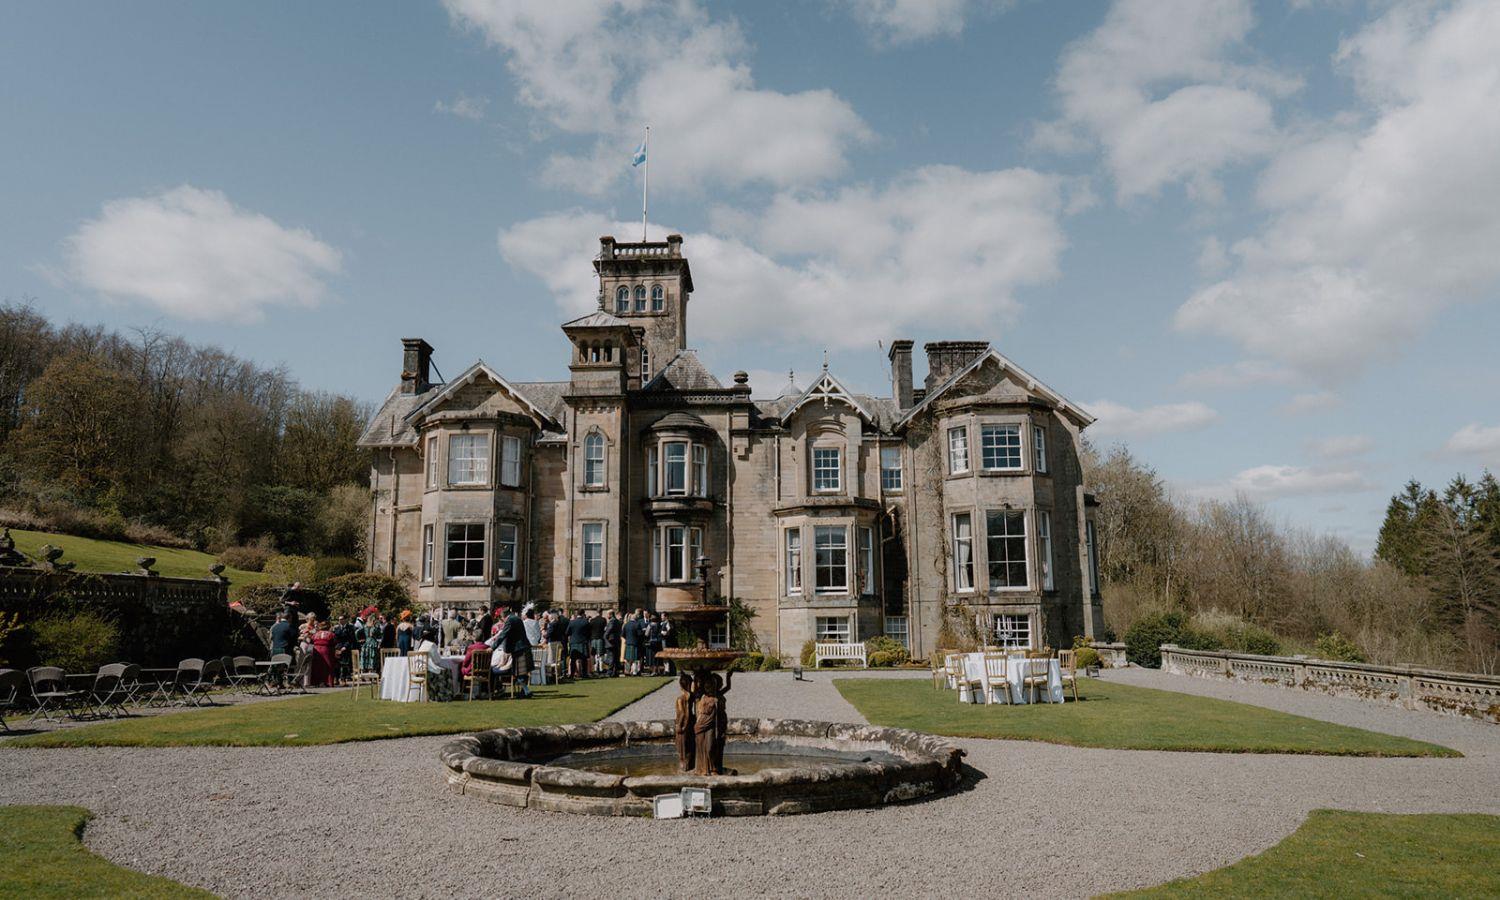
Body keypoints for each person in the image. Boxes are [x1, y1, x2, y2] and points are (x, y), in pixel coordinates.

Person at [493, 606, 533, 697]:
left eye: (501, 618)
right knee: (521, 673)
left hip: (519, 649)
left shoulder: (510, 620)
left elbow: (503, 635)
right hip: (522, 647)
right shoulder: (516, 618)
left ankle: (526, 691)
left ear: (503, 616)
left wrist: (493, 647)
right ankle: (525, 691)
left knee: (520, 673)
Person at [309, 620, 338, 688]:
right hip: (327, 650)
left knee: (317, 666)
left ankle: (317, 682)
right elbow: (335, 642)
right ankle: (328, 682)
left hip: (316, 650)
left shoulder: (316, 634)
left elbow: (311, 641)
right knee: (328, 666)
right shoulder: (330, 634)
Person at [566, 610, 591, 679]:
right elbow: (589, 633)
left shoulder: (572, 622)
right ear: (583, 614)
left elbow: (567, 632)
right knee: (584, 659)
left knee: (573, 660)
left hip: (574, 642)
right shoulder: (586, 622)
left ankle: (572, 674)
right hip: (583, 642)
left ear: (577, 614)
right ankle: (584, 674)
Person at [622, 610, 643, 676]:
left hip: (628, 643)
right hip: (635, 643)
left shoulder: (626, 624)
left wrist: (628, 639)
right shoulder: (637, 624)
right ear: (636, 618)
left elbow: (623, 634)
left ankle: (627, 671)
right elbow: (640, 634)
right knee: (635, 659)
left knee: (628, 659)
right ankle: (634, 672)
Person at [603, 610, 623, 677]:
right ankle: (615, 672)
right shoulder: (617, 621)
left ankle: (609, 672)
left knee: (611, 657)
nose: (607, 616)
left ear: (611, 614)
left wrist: (605, 635)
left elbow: (609, 630)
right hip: (616, 641)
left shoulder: (612, 621)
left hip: (611, 641)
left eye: (607, 614)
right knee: (616, 657)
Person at [589, 610, 607, 675]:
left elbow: (589, 630)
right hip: (600, 638)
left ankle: (595, 668)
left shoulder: (592, 620)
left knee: (594, 654)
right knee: (600, 654)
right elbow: (605, 629)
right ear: (601, 612)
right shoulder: (603, 620)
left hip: (593, 639)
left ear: (596, 612)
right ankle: (601, 668)